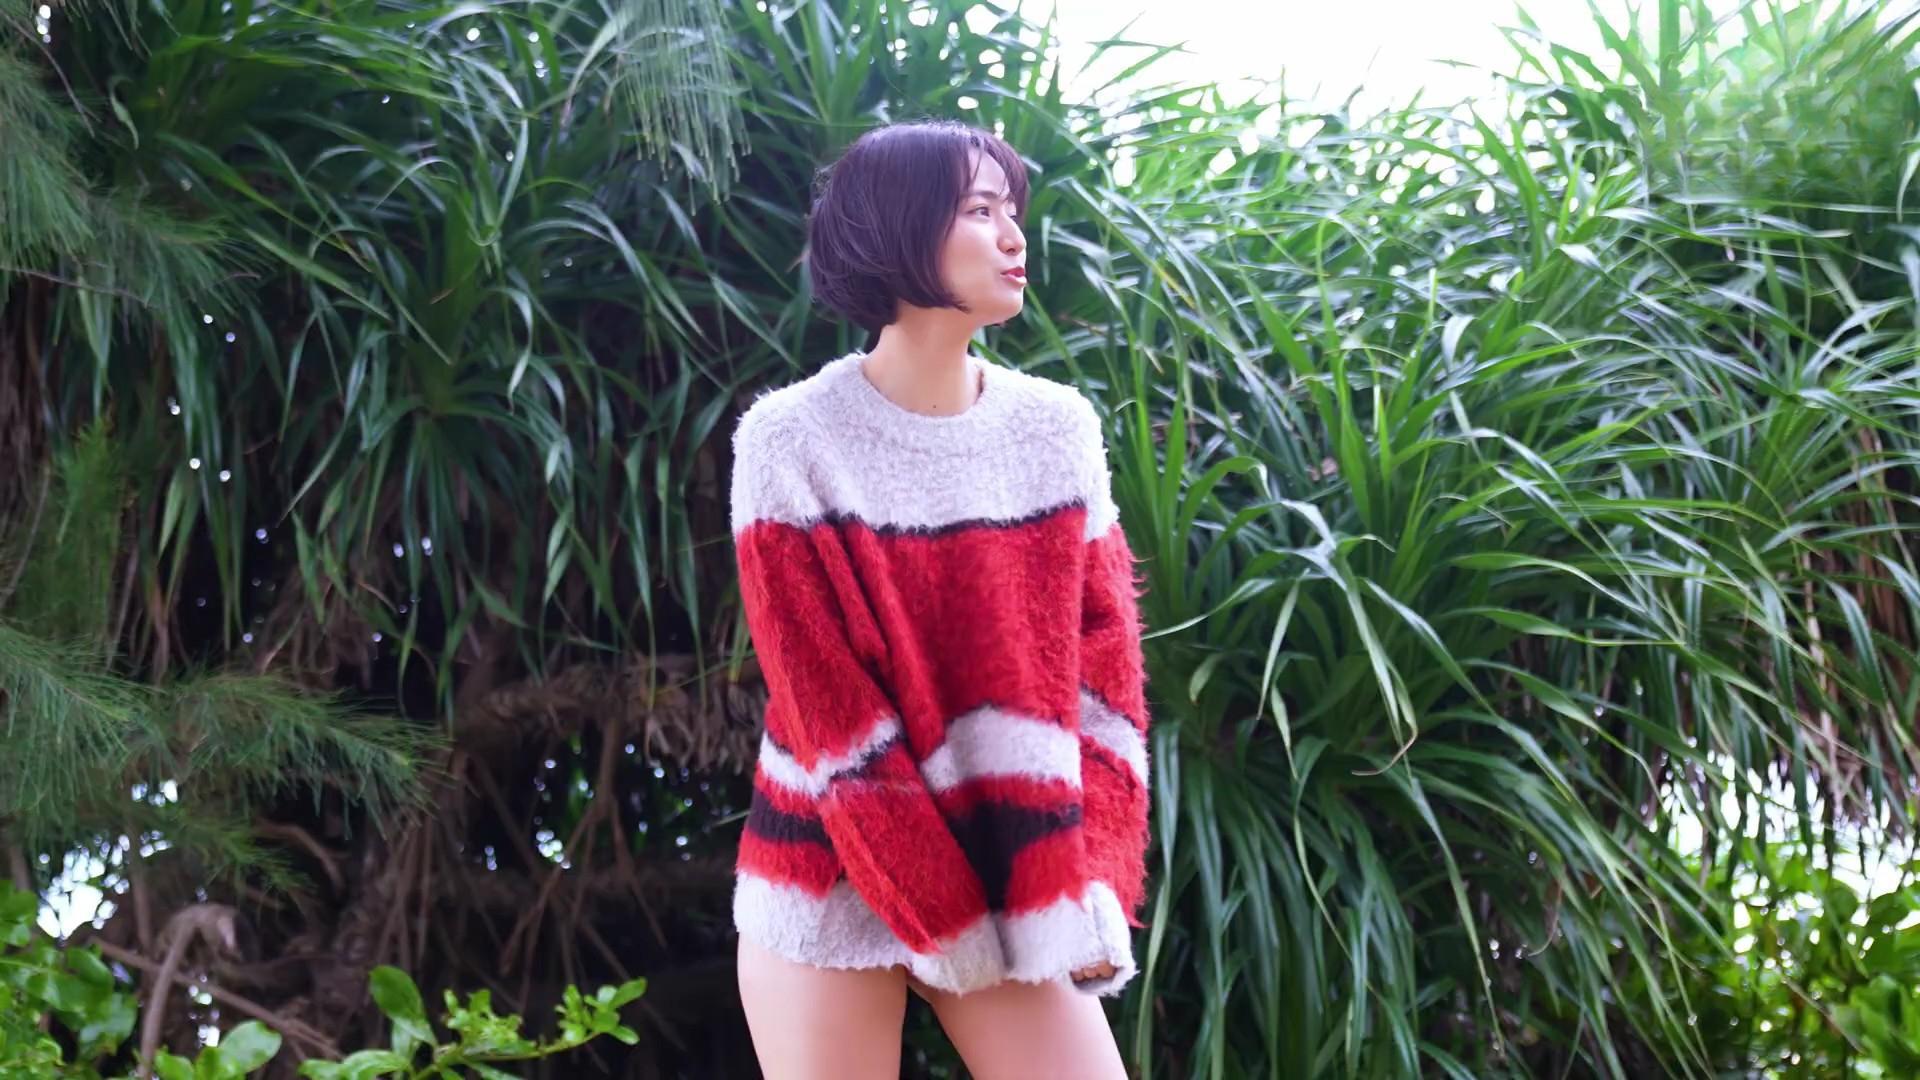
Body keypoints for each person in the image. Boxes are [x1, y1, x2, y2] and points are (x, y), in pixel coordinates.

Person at [728, 118, 1151, 1079]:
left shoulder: (1056, 431)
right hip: (827, 870)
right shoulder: (791, 440)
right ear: (900, 228)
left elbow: (1108, 680)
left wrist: (1086, 888)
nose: (1013, 236)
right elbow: (825, 704)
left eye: (1013, 211)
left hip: (1013, 873)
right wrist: (943, 917)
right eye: (979, 210)